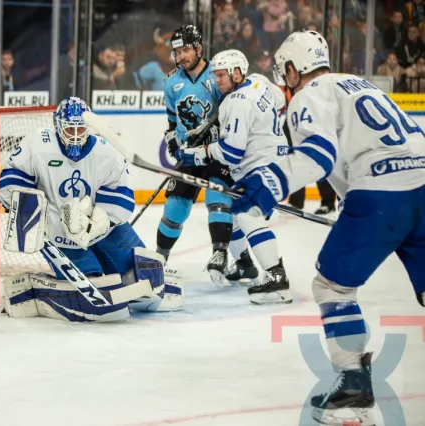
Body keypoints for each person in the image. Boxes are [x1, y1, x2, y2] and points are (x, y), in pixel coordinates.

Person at [232, 30, 425, 425]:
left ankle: (354, 391)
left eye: (284, 71)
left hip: (382, 195)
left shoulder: (310, 93)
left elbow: (317, 156)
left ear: (292, 67)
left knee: (332, 287)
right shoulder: (359, 84)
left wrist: (269, 181)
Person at [0, 97, 182, 322]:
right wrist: (42, 215)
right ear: (58, 126)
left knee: (146, 276)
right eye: (69, 130)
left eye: (80, 128)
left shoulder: (106, 152)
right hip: (57, 230)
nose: (75, 135)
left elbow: (120, 194)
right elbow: (10, 182)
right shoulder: (38, 144)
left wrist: (98, 221)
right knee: (91, 283)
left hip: (101, 227)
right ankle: (38, 293)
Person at [175, 49, 292, 304]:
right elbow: (281, 101)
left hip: (263, 165)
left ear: (237, 73)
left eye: (221, 75)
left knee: (247, 212)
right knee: (235, 213)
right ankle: (244, 265)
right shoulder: (259, 81)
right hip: (275, 159)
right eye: (215, 75)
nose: (217, 80)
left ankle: (276, 276)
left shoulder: (235, 102)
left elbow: (232, 152)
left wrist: (197, 154)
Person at [158, 24, 237, 284]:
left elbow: (233, 105)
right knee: (175, 205)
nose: (180, 57)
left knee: (217, 195)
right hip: (190, 155)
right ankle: (160, 257)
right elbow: (171, 120)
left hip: (216, 153)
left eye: (185, 50)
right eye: (176, 52)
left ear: (199, 48)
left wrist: (215, 126)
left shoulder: (217, 72)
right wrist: (172, 141)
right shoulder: (172, 82)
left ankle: (220, 254)